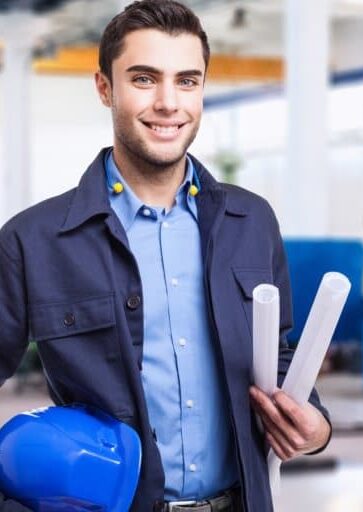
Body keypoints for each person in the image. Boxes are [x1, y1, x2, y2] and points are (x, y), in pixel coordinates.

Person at [0, 1, 331, 511]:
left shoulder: (252, 222)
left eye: (187, 81)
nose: (168, 102)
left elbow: (278, 356)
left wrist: (315, 423)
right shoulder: (34, 240)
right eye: (144, 79)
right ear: (105, 88)